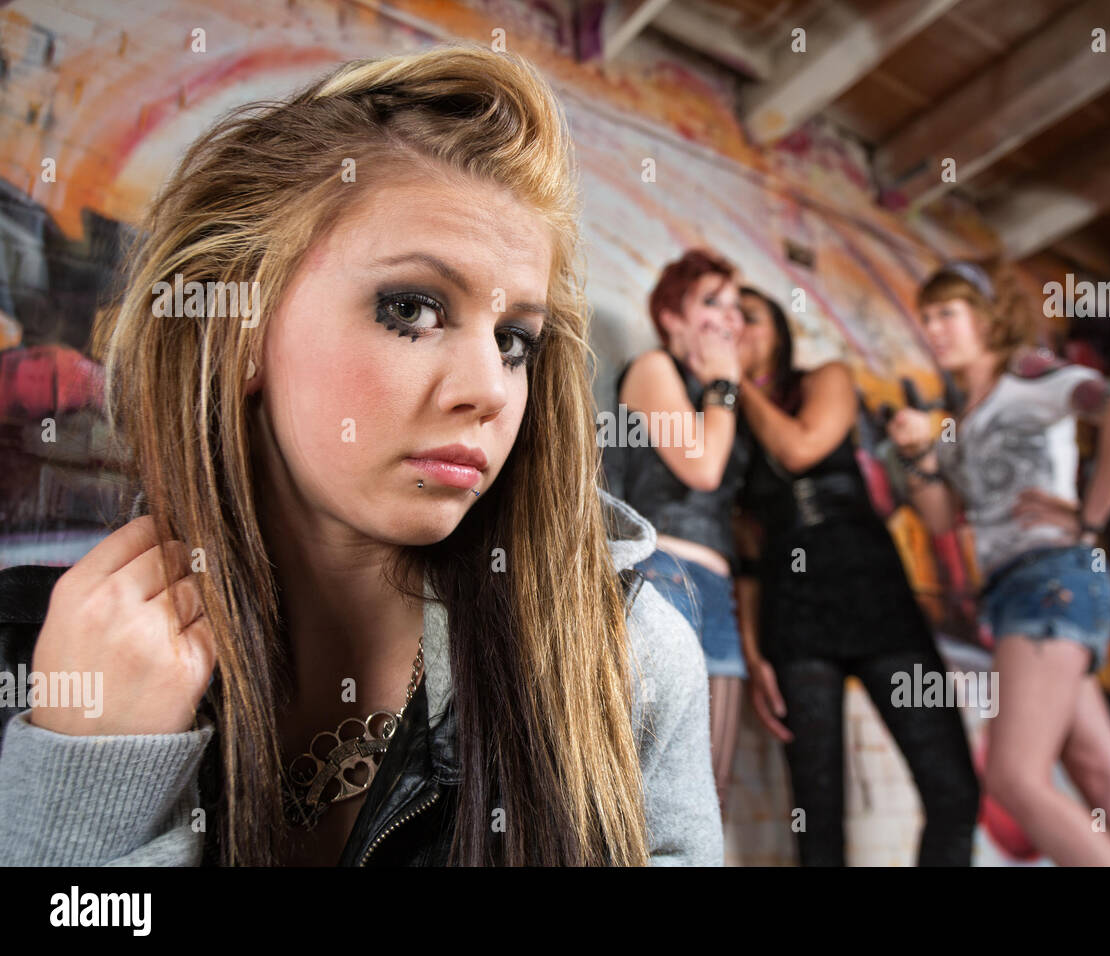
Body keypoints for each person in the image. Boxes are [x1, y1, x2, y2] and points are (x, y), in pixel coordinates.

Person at [0, 45, 722, 867]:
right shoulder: (37, 667)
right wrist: (85, 787)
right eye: (411, 308)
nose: (490, 389)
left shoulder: (626, 658)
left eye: (514, 339)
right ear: (235, 333)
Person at [887, 261, 1110, 866]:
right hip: (1022, 591)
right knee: (1102, 775)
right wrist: (917, 457)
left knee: (1015, 777)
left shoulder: (1029, 373)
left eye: (948, 313)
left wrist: (1089, 519)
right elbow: (941, 519)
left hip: (1050, 580)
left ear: (989, 318)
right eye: (927, 317)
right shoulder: (964, 419)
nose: (934, 329)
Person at [733, 286, 979, 866]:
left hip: (873, 590)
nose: (736, 327)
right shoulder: (723, 421)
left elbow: (801, 450)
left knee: (953, 790)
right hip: (791, 610)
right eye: (726, 318)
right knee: (817, 821)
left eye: (750, 316)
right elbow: (746, 548)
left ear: (779, 329)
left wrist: (736, 381)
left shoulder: (827, 378)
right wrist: (753, 651)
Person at [614, 249, 750, 815]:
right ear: (671, 316)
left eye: (737, 306)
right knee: (640, 798)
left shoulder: (722, 395)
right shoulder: (654, 368)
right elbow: (701, 467)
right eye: (712, 301)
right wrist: (723, 386)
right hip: (663, 576)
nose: (731, 316)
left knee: (706, 806)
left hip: (718, 593)